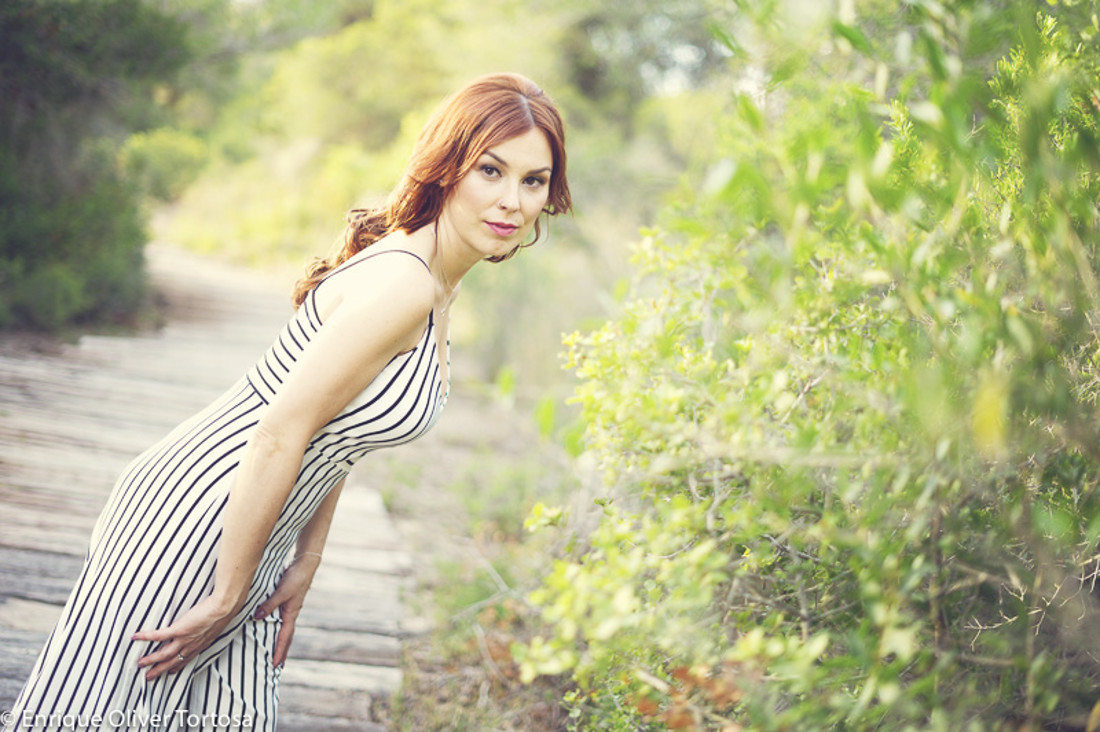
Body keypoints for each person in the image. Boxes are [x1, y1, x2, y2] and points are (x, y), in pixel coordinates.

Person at [5, 72, 571, 731]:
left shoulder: (437, 285)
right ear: (448, 169)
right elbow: (280, 431)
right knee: (87, 718)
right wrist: (226, 594)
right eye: (491, 171)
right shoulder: (406, 285)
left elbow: (337, 436)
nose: (512, 201)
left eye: (533, 180)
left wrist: (305, 558)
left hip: (253, 535)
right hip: (200, 521)